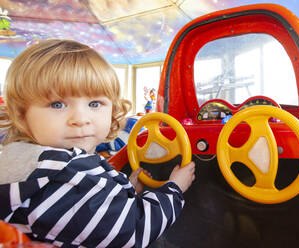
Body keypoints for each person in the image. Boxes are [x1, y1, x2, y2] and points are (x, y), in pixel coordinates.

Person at [0, 39, 196, 247]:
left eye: (94, 103)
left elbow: (88, 209)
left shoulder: (29, 161)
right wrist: (174, 188)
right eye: (57, 104)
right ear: (22, 115)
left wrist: (126, 188)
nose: (81, 118)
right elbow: (133, 232)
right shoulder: (63, 175)